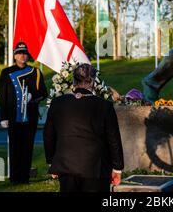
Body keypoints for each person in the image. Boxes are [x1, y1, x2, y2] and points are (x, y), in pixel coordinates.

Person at [44, 63, 124, 192]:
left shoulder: (58, 103)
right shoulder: (104, 106)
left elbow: (48, 135)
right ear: (92, 82)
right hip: (95, 168)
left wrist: (52, 162)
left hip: (66, 166)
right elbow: (113, 139)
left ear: (74, 81)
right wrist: (117, 168)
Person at [0, 42, 48, 184]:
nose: (23, 55)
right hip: (13, 117)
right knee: (14, 148)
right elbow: (3, 96)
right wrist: (3, 117)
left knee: (27, 148)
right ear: (15, 55)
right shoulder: (6, 73)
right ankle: (14, 178)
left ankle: (24, 178)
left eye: (25, 53)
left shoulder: (36, 72)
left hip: (30, 117)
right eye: (20, 53)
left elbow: (43, 93)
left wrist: (34, 96)